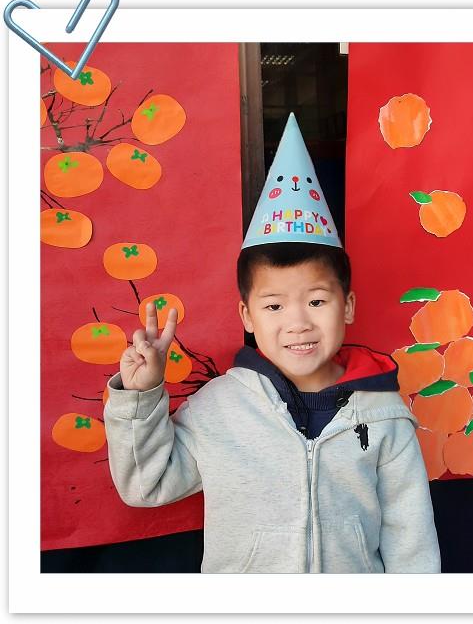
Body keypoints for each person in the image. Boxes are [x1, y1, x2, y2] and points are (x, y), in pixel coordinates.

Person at [104, 113, 441, 573]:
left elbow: (411, 540)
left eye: (317, 301)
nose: (297, 323)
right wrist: (141, 396)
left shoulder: (384, 414)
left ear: (347, 306)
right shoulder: (218, 409)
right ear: (247, 315)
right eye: (274, 306)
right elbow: (146, 485)